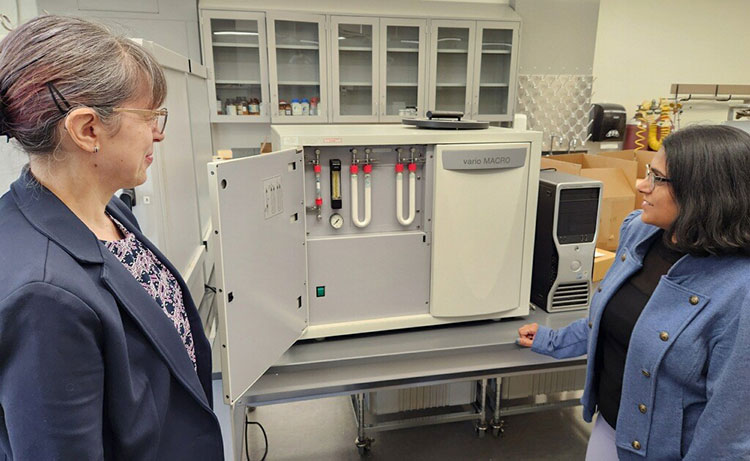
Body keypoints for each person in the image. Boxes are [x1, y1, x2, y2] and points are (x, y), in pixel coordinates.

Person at [0, 16, 223, 459]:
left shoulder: (106, 212)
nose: (158, 132)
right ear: (87, 130)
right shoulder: (44, 295)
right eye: (148, 116)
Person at [518, 124, 750, 460]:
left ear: (704, 193)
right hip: (612, 428)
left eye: (657, 178)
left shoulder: (739, 289)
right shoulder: (640, 231)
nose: (642, 185)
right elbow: (620, 318)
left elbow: (728, 430)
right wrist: (552, 340)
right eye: (647, 173)